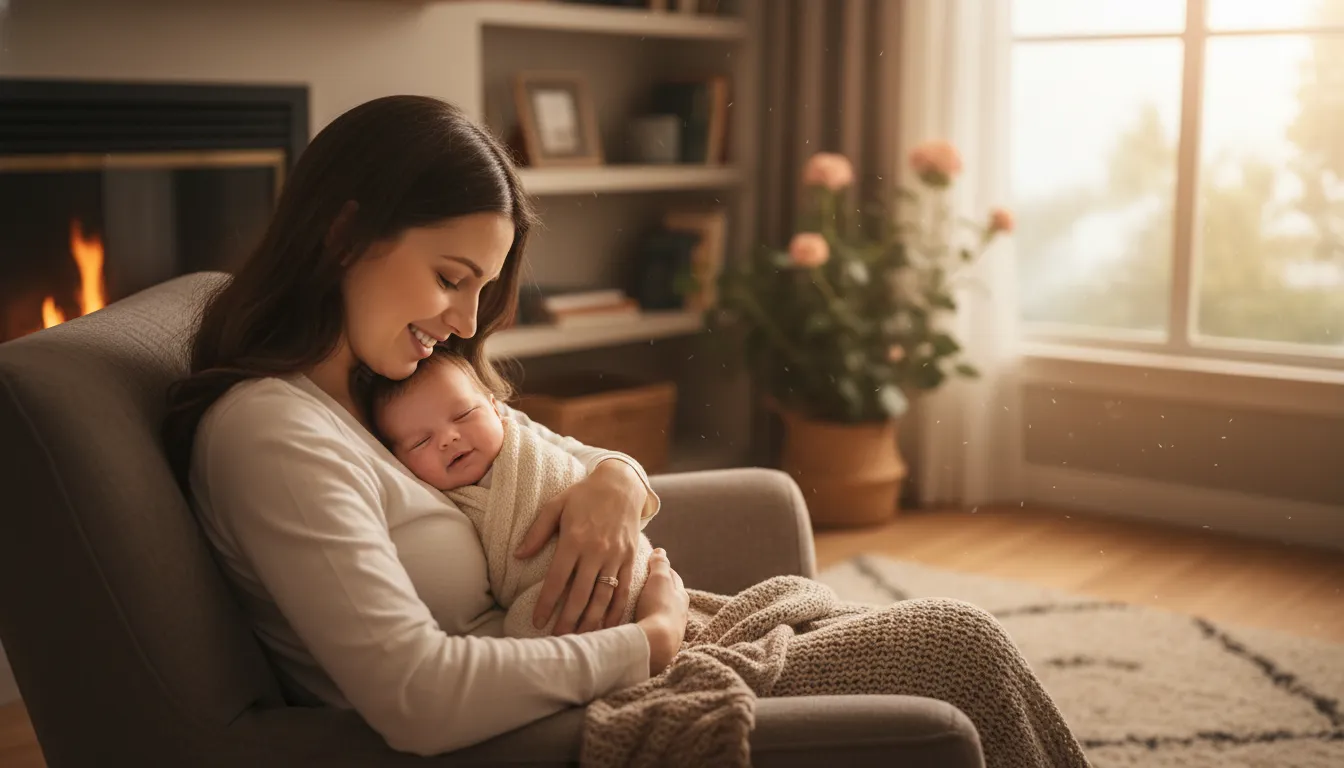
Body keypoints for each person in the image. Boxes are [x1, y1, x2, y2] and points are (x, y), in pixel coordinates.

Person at [163, 95, 1089, 766]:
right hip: (554, 717)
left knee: (952, 644)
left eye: (482, 288)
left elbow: (540, 453)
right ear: (344, 233)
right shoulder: (275, 437)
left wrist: (613, 483)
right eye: (451, 276)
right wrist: (645, 641)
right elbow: (417, 698)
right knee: (954, 645)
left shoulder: (376, 389)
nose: (463, 319)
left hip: (606, 658)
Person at [367, 348, 654, 639]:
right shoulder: (437, 501)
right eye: (421, 441)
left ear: (495, 408)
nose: (448, 438)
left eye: (464, 415)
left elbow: (592, 464)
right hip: (552, 606)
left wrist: (621, 475)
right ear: (398, 461)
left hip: (627, 566)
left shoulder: (522, 444)